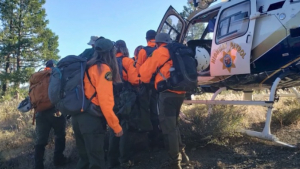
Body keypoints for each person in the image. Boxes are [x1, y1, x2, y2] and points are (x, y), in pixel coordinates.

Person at [139, 33, 190, 169]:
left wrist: (146, 82)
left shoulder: (160, 52)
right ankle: (183, 156)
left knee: (169, 128)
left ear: (158, 42)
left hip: (167, 94)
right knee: (174, 125)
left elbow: (144, 73)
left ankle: (175, 163)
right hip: (181, 92)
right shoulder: (177, 50)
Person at [72, 37, 123, 169]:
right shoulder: (103, 69)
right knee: (97, 162)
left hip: (78, 117)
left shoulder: (86, 65)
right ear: (110, 53)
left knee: (85, 160)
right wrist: (115, 126)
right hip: (91, 120)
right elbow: (105, 102)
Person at [34, 61, 68, 169]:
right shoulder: (57, 74)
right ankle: (58, 159)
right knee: (60, 134)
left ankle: (38, 165)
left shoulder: (38, 76)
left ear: (45, 66)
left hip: (40, 111)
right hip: (55, 110)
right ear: (54, 66)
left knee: (40, 140)